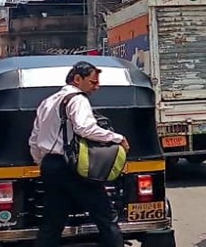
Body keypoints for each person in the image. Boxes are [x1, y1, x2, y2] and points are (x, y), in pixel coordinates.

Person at [28, 61, 130, 247]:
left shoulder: (47, 102)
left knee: (52, 224)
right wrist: (117, 138)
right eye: (92, 82)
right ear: (77, 79)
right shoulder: (78, 99)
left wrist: (42, 162)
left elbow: (34, 139)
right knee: (106, 218)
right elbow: (85, 128)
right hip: (72, 167)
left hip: (50, 166)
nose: (96, 87)